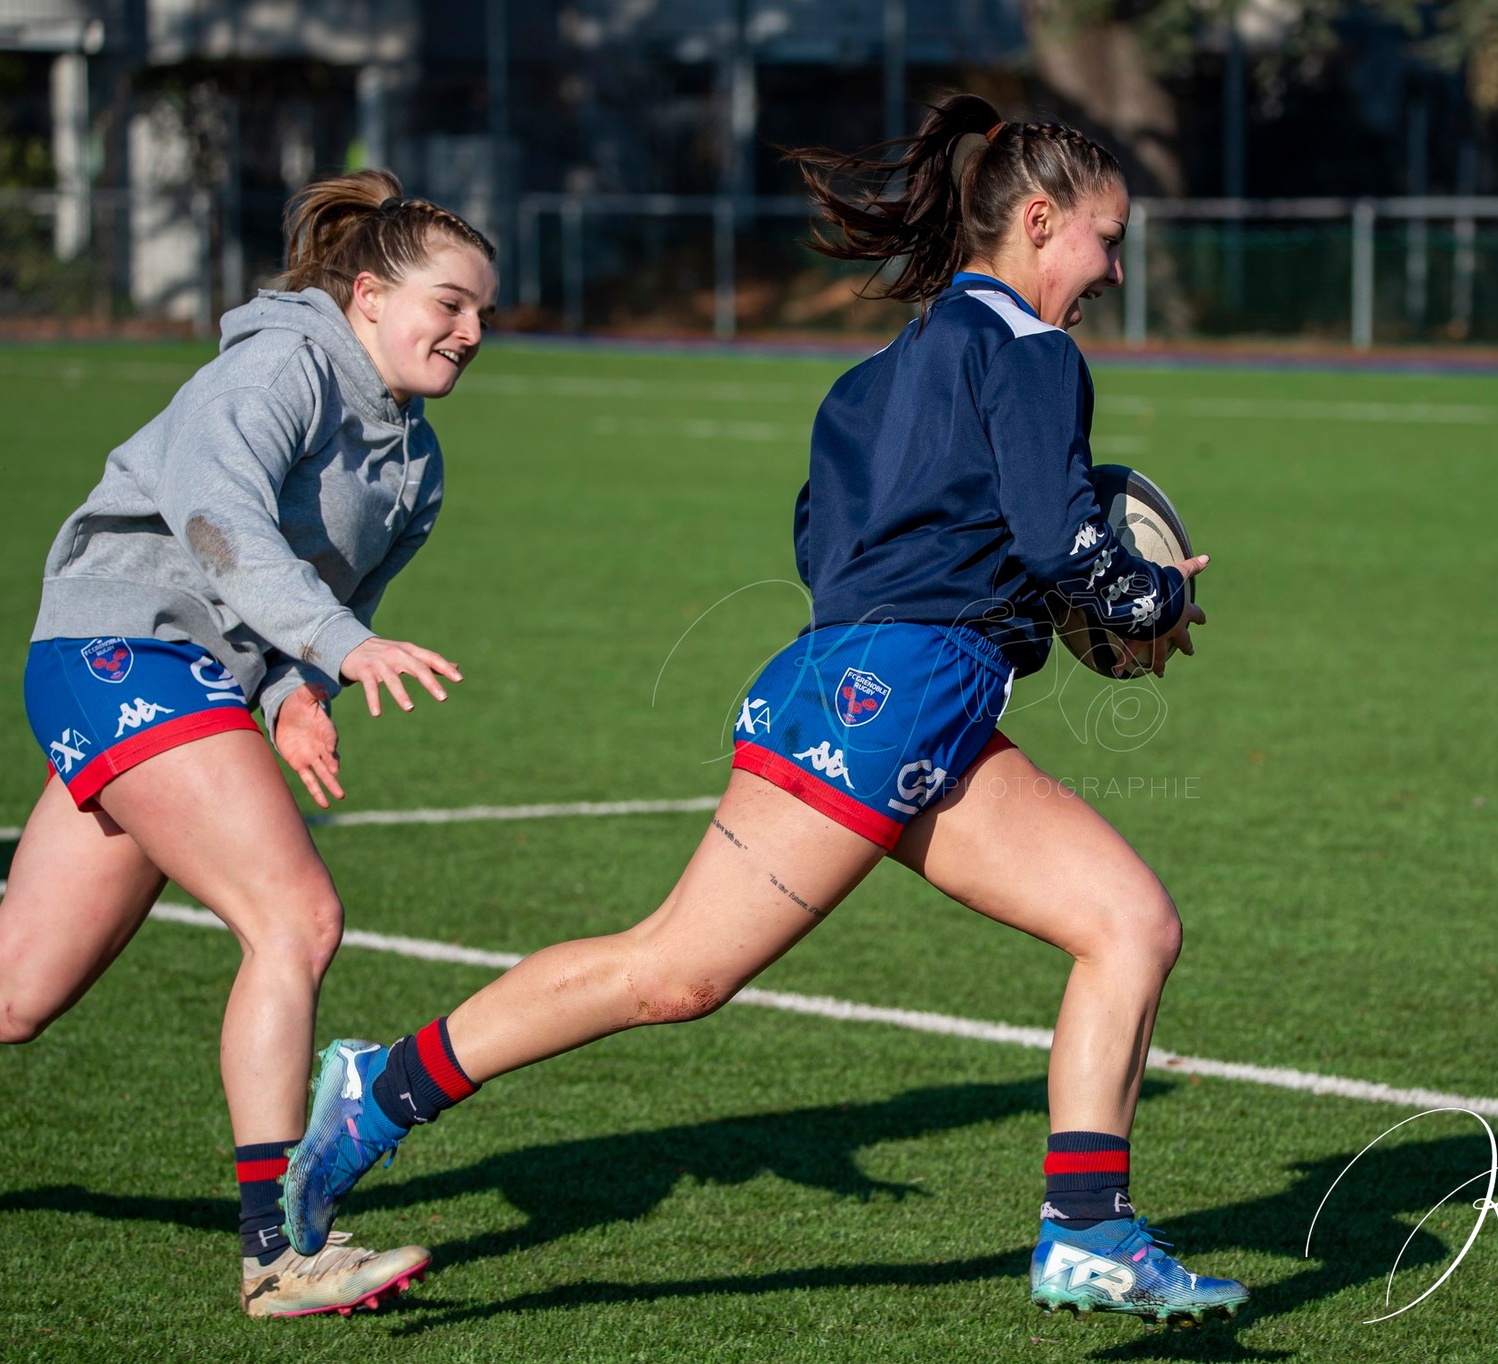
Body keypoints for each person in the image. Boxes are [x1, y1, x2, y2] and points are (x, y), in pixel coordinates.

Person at [283, 95, 1247, 1325]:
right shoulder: (1032, 351)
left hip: (892, 689)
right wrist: (1152, 596)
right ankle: (377, 1089)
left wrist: (1018, 603)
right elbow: (1064, 544)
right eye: (1105, 239)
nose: (1113, 267)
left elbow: (836, 540)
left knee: (1128, 921)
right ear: (1041, 222)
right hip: (894, 697)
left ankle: (1088, 1231)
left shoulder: (876, 373)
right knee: (673, 970)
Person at [0, 169, 497, 1319]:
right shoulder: (285, 363)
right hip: (116, 652)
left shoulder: (416, 468)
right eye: (450, 304)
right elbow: (210, 504)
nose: (471, 332)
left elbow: (290, 604)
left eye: (482, 313)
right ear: (367, 295)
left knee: (6, 989)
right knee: (296, 916)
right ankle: (277, 1251)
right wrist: (336, 641)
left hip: (193, 686)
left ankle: (278, 1246)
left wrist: (294, 691)